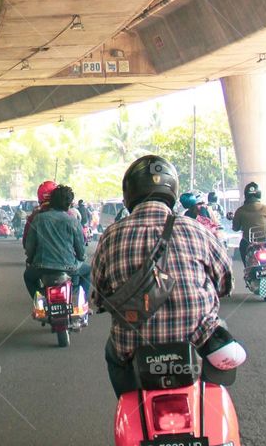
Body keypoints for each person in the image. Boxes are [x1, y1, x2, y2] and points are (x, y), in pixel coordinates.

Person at [92, 155, 240, 398]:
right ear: (172, 190)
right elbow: (224, 280)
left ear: (129, 194)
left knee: (113, 352)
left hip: (133, 348)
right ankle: (211, 404)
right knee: (221, 337)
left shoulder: (111, 235)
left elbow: (99, 294)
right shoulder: (197, 230)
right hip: (197, 342)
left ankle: (130, 404)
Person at [24, 184, 91, 311]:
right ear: (69, 204)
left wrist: (31, 259)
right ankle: (82, 304)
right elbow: (81, 251)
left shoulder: (38, 219)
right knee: (87, 271)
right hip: (70, 268)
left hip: (42, 267)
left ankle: (41, 303)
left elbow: (29, 246)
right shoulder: (73, 221)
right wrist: (81, 258)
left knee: (28, 277)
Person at [231, 182, 266, 264]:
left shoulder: (240, 211)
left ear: (246, 195)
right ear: (259, 194)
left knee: (242, 246)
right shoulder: (265, 208)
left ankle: (246, 267)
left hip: (248, 242)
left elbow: (235, 228)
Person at [22, 179, 56, 251]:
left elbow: (26, 242)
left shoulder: (34, 216)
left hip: (40, 259)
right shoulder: (69, 216)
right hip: (67, 261)